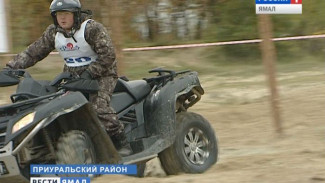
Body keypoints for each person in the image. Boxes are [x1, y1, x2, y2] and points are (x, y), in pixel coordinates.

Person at [6, 0, 132, 155]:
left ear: (76, 14)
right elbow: (33, 53)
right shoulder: (53, 32)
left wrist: (90, 73)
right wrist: (10, 68)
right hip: (72, 78)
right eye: (59, 14)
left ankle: (121, 141)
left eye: (66, 14)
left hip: (102, 75)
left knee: (98, 107)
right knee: (51, 106)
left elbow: (108, 56)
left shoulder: (92, 29)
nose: (62, 18)